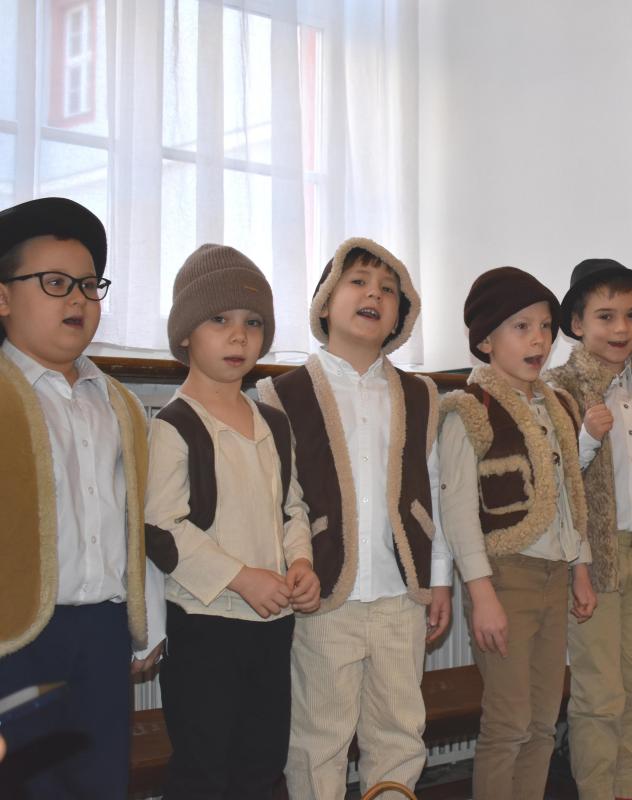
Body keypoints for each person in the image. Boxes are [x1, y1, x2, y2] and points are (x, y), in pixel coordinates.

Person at [257, 239, 452, 798]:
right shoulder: (282, 394)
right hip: (323, 597)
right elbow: (279, 498)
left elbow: (432, 491)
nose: (374, 294)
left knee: (399, 733)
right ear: (326, 301)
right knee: (319, 737)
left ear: (401, 315)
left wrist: (439, 581)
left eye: (388, 289)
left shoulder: (421, 394)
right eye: (358, 282)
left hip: (399, 596)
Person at [0, 197, 164, 800]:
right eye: (55, 283)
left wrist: (147, 621)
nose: (77, 298)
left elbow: (138, 518)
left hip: (102, 630)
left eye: (89, 286)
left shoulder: (120, 404)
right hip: (16, 637)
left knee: (101, 778)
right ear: (3, 298)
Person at [145, 244, 318, 798]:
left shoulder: (272, 422)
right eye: (219, 320)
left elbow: (292, 507)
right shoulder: (175, 425)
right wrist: (242, 577)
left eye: (252, 322)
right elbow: (162, 528)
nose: (238, 336)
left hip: (272, 625)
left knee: (261, 762)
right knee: (204, 768)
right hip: (206, 625)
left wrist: (300, 561)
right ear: (185, 335)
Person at [438, 267, 597, 800]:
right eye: (521, 327)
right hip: (506, 578)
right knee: (508, 723)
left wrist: (580, 567)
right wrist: (481, 593)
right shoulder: (469, 408)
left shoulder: (557, 405)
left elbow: (571, 495)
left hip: (554, 576)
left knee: (543, 722)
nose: (539, 340)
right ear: (486, 340)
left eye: (546, 326)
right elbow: (458, 511)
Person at [544, 258, 632, 800]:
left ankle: (629, 790)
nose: (622, 328)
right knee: (599, 695)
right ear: (577, 324)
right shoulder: (559, 388)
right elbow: (554, 483)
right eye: (606, 316)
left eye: (631, 315)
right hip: (596, 560)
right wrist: (585, 438)